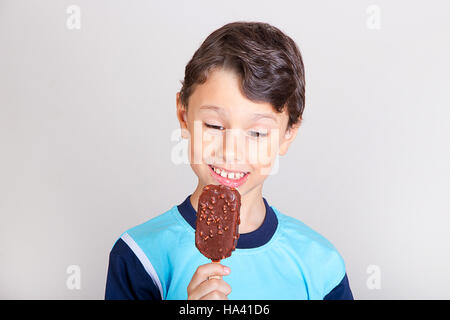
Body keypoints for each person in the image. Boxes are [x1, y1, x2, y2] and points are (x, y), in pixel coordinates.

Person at [105, 21, 353, 300]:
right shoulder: (140, 256)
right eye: (213, 125)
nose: (231, 151)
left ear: (287, 135)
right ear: (183, 116)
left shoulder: (320, 265)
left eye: (257, 132)